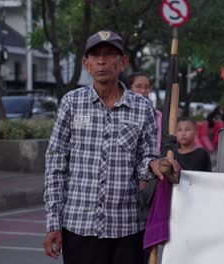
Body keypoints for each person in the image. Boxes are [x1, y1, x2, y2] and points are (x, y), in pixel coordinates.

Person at [42, 30, 179, 264]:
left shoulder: (141, 108)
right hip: (78, 225)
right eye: (95, 56)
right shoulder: (71, 103)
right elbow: (56, 163)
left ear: (123, 62)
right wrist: (53, 223)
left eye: (109, 55)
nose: (102, 61)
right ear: (86, 64)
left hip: (126, 226)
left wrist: (157, 165)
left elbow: (143, 162)